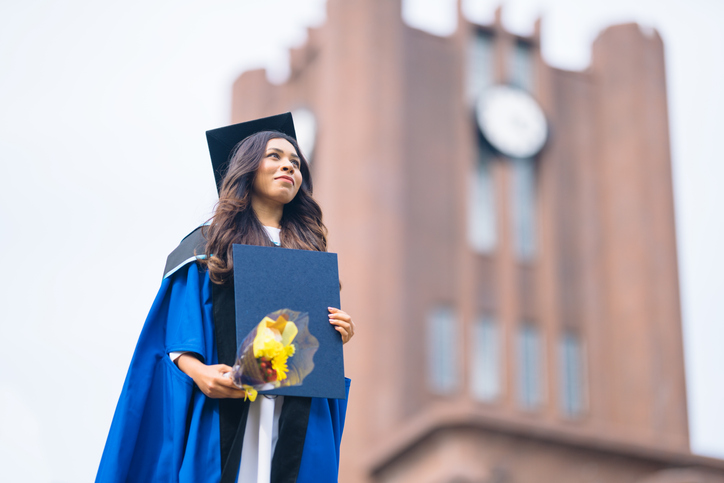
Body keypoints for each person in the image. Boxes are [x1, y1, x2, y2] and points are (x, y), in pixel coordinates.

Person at [96, 113, 354, 483]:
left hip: (296, 408)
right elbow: (180, 324)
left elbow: (310, 338)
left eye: (296, 163)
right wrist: (198, 372)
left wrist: (339, 330)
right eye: (275, 157)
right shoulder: (208, 243)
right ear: (248, 167)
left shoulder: (309, 254)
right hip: (229, 404)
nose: (288, 166)